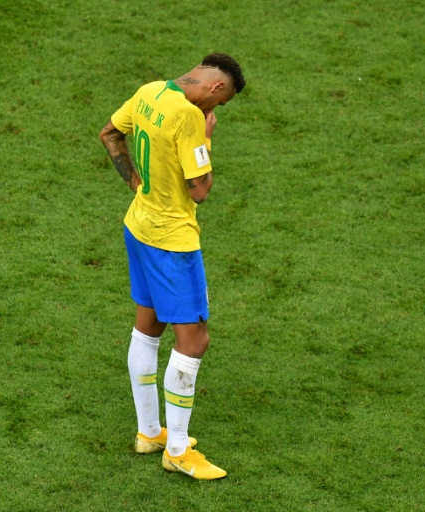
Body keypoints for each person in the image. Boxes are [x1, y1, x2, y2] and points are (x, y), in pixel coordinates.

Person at [98, 53, 245, 480]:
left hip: (139, 227)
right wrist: (206, 139)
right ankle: (177, 450)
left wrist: (135, 183)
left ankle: (149, 433)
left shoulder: (150, 92)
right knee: (194, 342)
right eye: (221, 103)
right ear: (216, 87)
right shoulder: (188, 117)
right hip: (172, 243)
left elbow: (110, 133)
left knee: (148, 328)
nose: (215, 110)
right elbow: (200, 190)